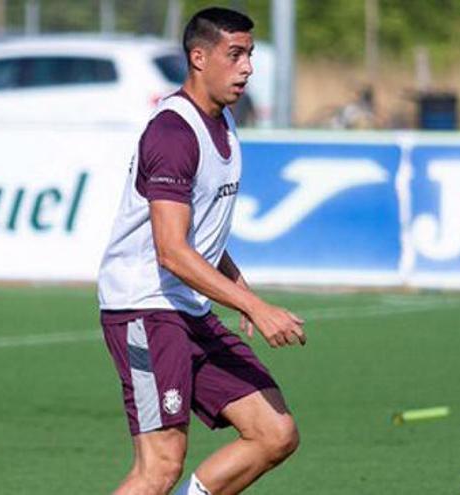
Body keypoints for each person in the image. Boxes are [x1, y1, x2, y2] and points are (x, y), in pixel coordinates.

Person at [97, 7, 306, 495]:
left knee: (274, 433)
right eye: (235, 55)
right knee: (160, 467)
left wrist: (240, 287)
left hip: (188, 306)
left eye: (250, 54)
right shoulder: (173, 133)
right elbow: (171, 250)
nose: (248, 67)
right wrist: (254, 306)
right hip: (145, 307)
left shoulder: (225, 122)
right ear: (198, 57)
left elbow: (202, 231)